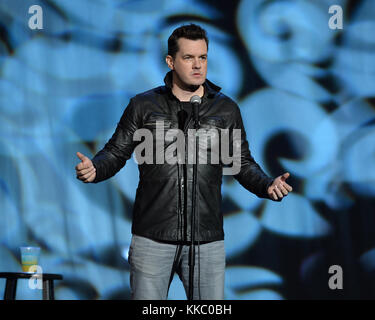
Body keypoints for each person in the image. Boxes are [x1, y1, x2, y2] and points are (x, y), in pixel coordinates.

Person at [75, 24, 292, 300]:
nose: (197, 65)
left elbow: (242, 163)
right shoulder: (143, 106)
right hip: (152, 236)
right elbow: (116, 152)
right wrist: (96, 169)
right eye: (188, 57)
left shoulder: (225, 110)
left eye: (202, 57)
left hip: (206, 240)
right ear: (170, 61)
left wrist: (266, 186)